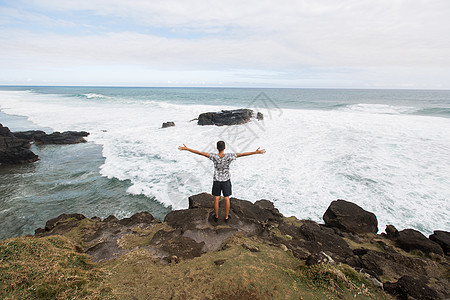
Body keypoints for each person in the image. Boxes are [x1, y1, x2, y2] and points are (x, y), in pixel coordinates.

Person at [178, 141, 266, 222]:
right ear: (224, 148)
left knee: (216, 198)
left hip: (217, 180)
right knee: (226, 198)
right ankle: (226, 217)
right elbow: (242, 154)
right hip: (226, 180)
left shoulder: (214, 156)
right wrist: (255, 152)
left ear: (217, 148)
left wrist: (188, 149)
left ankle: (216, 216)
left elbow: (200, 153)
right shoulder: (229, 156)